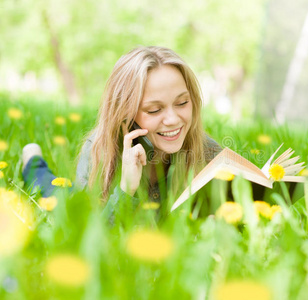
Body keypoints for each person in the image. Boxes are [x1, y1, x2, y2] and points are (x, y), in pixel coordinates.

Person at [22, 46, 222, 218]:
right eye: (154, 110)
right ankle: (32, 161)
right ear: (127, 114)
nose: (173, 119)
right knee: (52, 192)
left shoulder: (206, 149)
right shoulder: (99, 152)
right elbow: (93, 239)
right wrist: (126, 189)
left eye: (182, 103)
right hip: (81, 199)